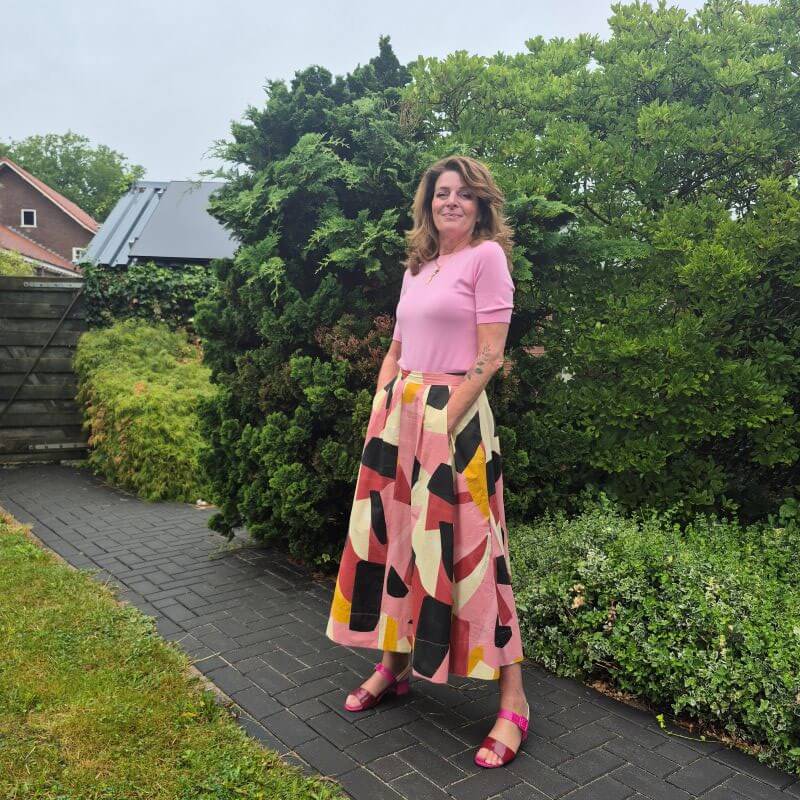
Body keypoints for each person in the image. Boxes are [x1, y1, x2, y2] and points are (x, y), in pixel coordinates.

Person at [325, 155, 529, 768]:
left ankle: (513, 702)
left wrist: (443, 419)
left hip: (456, 420)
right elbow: (396, 347)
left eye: (465, 195)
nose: (452, 202)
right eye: (442, 193)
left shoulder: (486, 260)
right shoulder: (419, 268)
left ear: (481, 206)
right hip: (400, 418)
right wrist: (382, 404)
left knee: (474, 552)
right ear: (428, 203)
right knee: (395, 544)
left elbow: (490, 358)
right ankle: (394, 665)